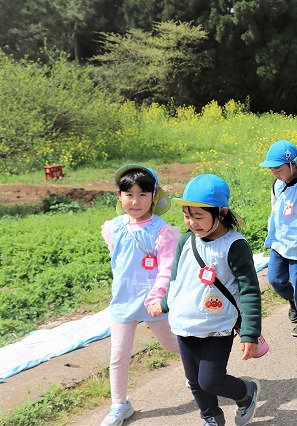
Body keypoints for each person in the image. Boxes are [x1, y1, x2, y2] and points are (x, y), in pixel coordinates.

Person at [159, 174, 261, 426]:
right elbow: (176, 279)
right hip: (185, 323)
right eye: (186, 215)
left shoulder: (234, 245)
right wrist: (164, 303)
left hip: (218, 326)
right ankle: (212, 418)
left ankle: (246, 392)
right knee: (194, 381)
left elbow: (249, 290)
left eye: (198, 216)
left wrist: (250, 333)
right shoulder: (186, 241)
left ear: (221, 212)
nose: (191, 222)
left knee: (211, 380)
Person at [100, 164, 180, 426]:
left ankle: (206, 372)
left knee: (172, 346)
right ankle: (119, 404)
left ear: (154, 195)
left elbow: (166, 269)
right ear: (119, 196)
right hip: (123, 303)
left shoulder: (162, 230)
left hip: (153, 303)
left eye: (143, 194)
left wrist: (157, 296)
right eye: (129, 194)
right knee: (119, 356)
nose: (136, 201)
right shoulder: (113, 228)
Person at [259, 140, 297, 337]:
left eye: (278, 168)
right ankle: (294, 301)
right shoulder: (277, 185)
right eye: (271, 169)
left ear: (292, 164)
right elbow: (274, 211)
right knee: (274, 279)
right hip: (279, 243)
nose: (274, 172)